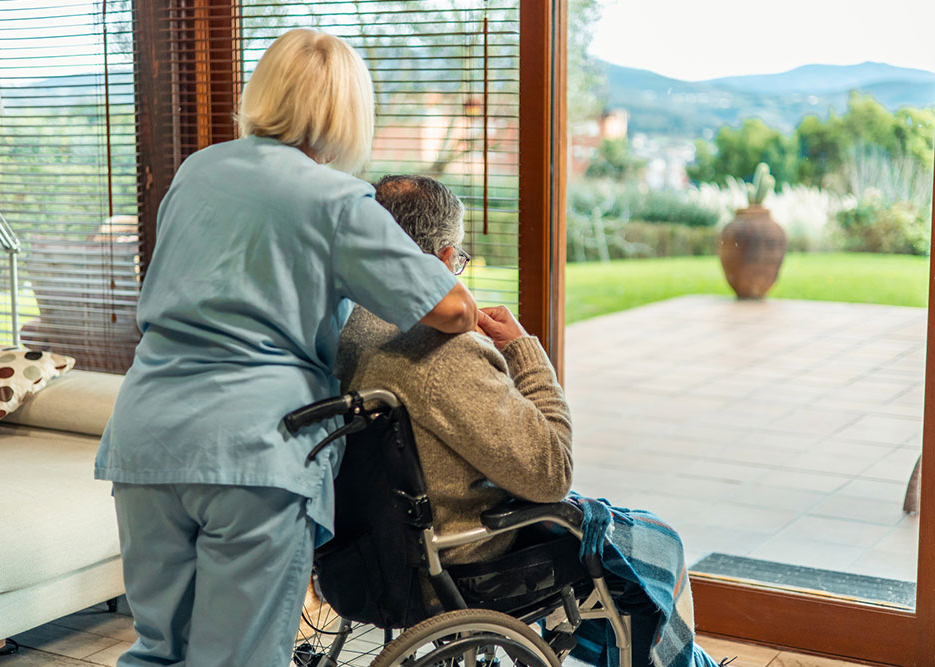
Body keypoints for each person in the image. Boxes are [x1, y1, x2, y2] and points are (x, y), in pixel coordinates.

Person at [94, 31, 479, 667]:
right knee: (238, 657)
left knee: (159, 650)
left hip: (147, 441)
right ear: (349, 112)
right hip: (252, 452)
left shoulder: (197, 172)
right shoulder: (335, 201)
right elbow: (450, 309)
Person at [335, 175, 722, 667]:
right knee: (658, 543)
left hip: (361, 556)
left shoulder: (344, 327)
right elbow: (552, 472)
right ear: (442, 259)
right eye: (460, 262)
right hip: (454, 562)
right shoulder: (440, 352)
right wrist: (524, 351)